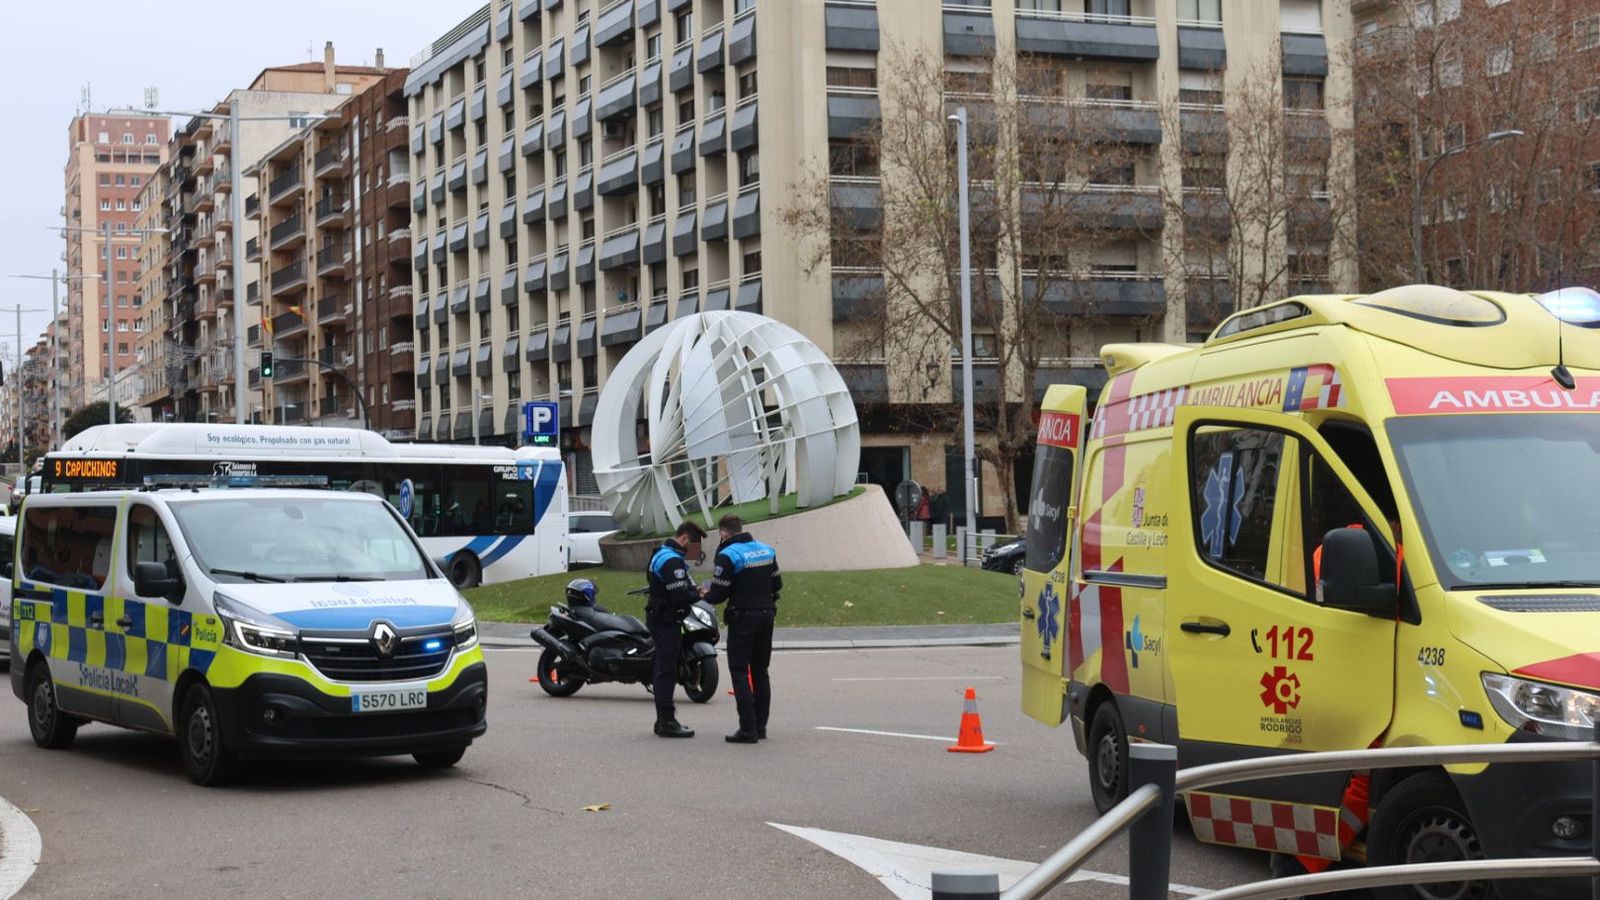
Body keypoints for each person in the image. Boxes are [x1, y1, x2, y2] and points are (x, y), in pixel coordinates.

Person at [702, 515, 781, 744]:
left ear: (724, 533)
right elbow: (777, 584)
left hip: (743, 617)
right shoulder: (767, 550)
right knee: (760, 671)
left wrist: (704, 594)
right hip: (767, 616)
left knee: (739, 671)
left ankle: (747, 729)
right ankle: (760, 726)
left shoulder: (729, 555)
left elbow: (718, 594)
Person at [646, 520, 706, 738]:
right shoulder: (672, 561)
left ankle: (663, 719)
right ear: (684, 539)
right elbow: (679, 595)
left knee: (665, 669)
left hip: (660, 617)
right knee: (666, 671)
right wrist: (697, 594)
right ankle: (666, 721)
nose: (695, 553)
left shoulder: (662, 554)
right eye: (695, 547)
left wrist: (691, 590)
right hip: (666, 620)